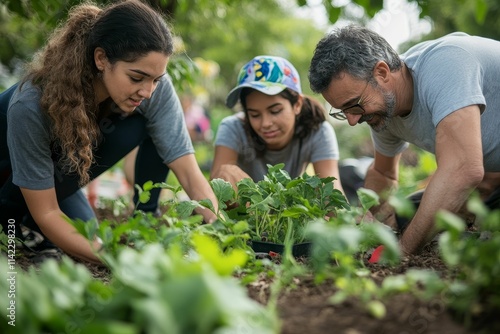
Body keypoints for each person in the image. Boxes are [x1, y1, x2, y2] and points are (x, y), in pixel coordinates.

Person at [0, 0, 218, 264]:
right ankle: (18, 226)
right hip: (10, 183)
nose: (148, 91)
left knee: (87, 231)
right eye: (136, 78)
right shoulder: (30, 105)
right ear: (101, 59)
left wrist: (220, 228)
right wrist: (116, 259)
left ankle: (144, 220)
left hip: (56, 179)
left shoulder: (151, 89)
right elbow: (47, 213)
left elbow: (189, 171)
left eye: (156, 80)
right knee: (67, 239)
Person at [308, 25, 500, 256]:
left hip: (485, 177)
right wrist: (370, 219)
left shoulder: (445, 65)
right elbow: (383, 174)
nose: (351, 119)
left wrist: (403, 252)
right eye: (342, 111)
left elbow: (463, 170)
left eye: (354, 105)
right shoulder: (384, 108)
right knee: (403, 216)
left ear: (382, 72)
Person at [210, 55, 346, 199]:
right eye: (254, 115)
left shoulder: (318, 131)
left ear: (297, 104)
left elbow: (331, 193)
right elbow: (215, 190)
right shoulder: (232, 128)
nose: (265, 124)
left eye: (275, 111)